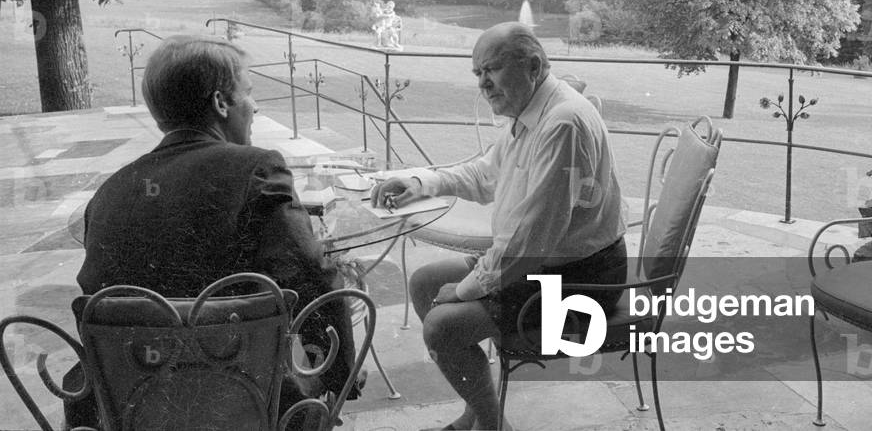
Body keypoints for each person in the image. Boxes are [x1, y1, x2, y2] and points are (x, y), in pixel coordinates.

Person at [69, 35, 360, 425]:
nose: (255, 106)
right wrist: (342, 375)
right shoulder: (258, 169)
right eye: (249, 92)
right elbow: (309, 274)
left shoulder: (111, 191)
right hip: (246, 405)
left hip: (128, 409)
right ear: (221, 103)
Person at [371, 22, 627, 431]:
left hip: (581, 279)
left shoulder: (563, 123)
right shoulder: (533, 111)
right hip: (547, 266)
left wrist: (467, 287)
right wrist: (422, 182)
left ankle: (490, 426)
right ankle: (480, 415)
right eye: (478, 73)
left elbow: (532, 240)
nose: (483, 84)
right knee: (423, 282)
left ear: (533, 66)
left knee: (442, 327)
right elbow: (486, 174)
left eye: (491, 70)